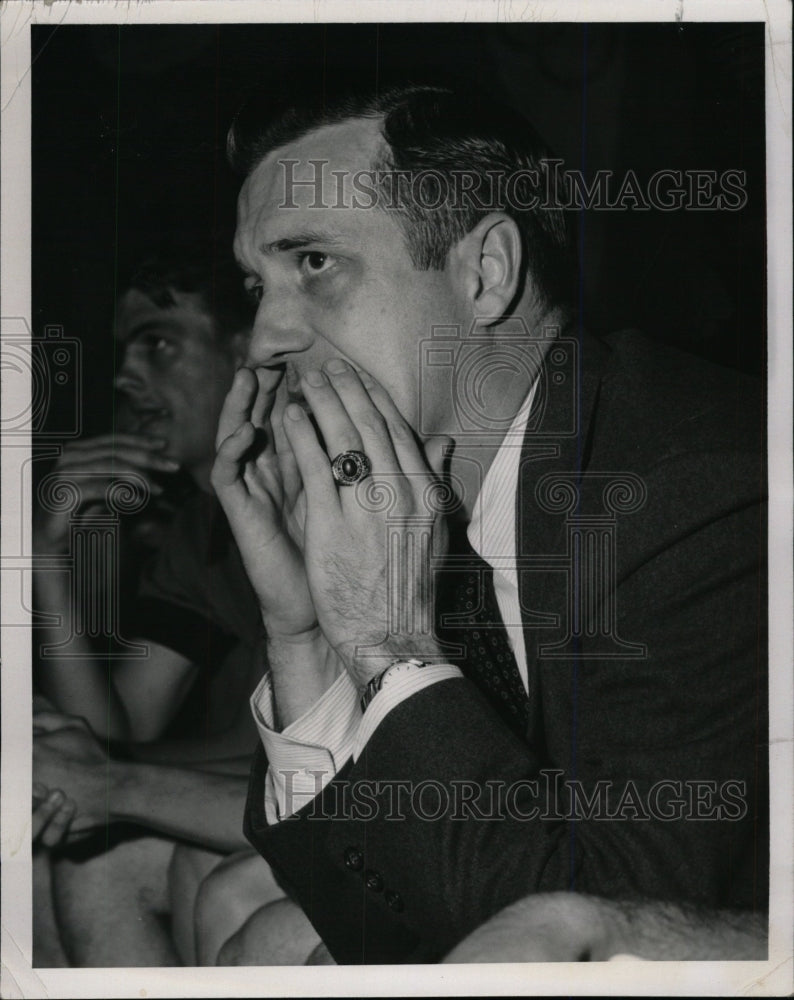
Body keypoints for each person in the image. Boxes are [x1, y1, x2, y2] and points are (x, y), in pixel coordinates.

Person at [209, 83, 767, 963]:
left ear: (485, 272)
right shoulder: (422, 499)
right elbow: (365, 910)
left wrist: (391, 644)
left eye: (313, 263)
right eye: (256, 284)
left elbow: (583, 937)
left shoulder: (697, 487)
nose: (264, 337)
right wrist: (306, 636)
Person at [31, 247, 293, 966]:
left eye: (159, 343)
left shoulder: (309, 488)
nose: (124, 376)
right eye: (124, 351)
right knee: (49, 857)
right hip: (277, 804)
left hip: (361, 818)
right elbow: (116, 726)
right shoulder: (198, 532)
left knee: (106, 859)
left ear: (246, 353)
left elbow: (311, 766)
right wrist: (45, 556)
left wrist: (98, 769)